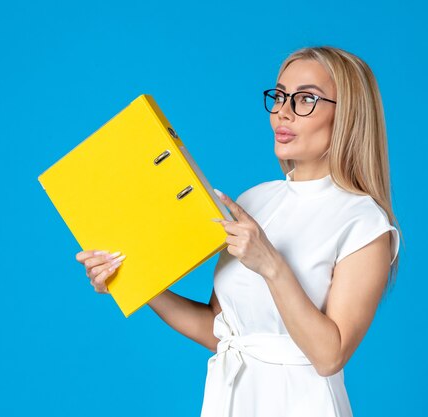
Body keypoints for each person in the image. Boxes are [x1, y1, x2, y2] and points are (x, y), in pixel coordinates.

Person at [75, 45, 402, 417]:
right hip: (231, 400)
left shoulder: (364, 222)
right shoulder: (255, 200)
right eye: (279, 96)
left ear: (349, 116)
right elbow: (219, 332)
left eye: (305, 99)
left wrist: (271, 264)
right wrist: (133, 280)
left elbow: (330, 356)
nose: (283, 111)